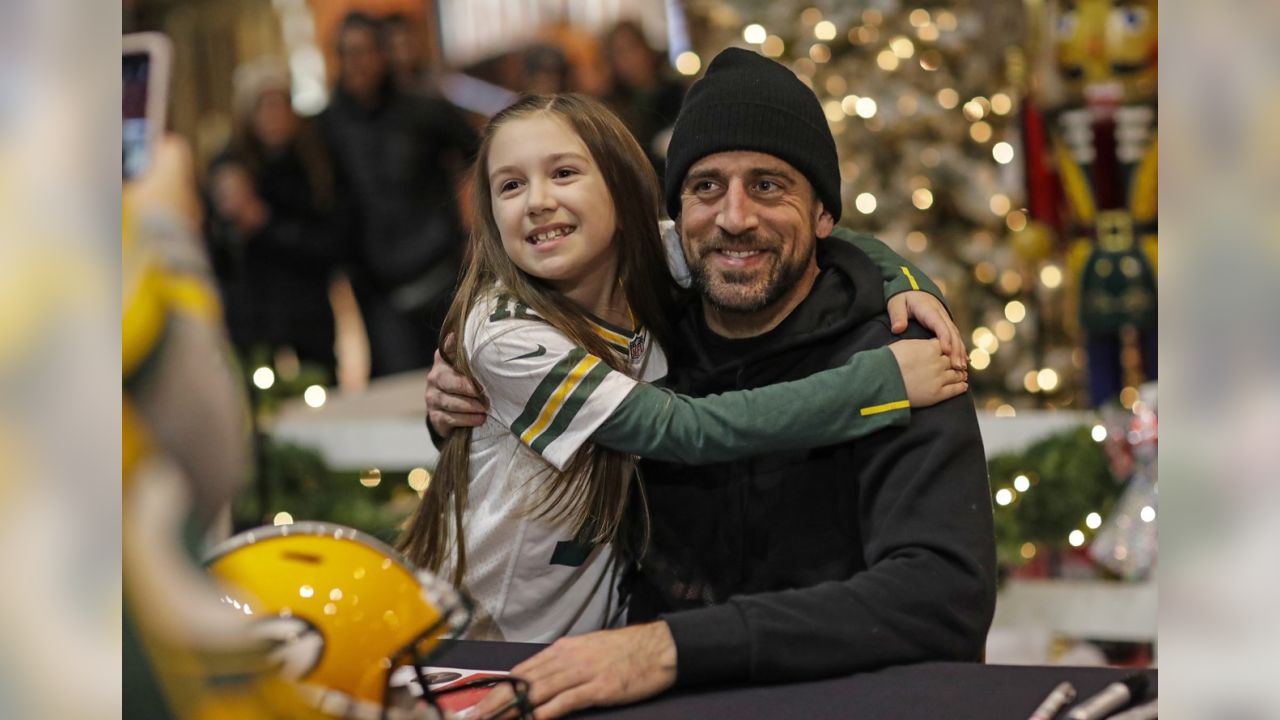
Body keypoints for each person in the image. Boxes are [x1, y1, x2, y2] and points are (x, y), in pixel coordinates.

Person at [425, 49, 996, 718]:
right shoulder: (652, 329)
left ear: (823, 215)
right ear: (674, 213)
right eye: (705, 187)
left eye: (769, 185)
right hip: (573, 675)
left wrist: (672, 647)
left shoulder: (906, 363)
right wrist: (457, 409)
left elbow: (940, 597)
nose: (733, 218)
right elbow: (626, 428)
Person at [322, 12, 479, 377]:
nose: (355, 64)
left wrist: (476, 228)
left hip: (443, 273)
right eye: (346, 54)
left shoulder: (423, 109)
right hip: (379, 288)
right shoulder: (328, 125)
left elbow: (482, 154)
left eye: (363, 52)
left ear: (382, 54)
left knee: (465, 381)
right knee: (404, 393)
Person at [206, 58, 343, 379]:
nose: (273, 115)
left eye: (279, 104)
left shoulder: (315, 163)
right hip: (254, 322)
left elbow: (332, 241)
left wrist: (264, 222)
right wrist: (230, 220)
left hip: (310, 316)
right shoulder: (228, 168)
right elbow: (219, 254)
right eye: (263, 106)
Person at [601, 20, 686, 178]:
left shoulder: (674, 92)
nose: (628, 59)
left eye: (632, 48)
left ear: (646, 49)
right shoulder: (609, 102)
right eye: (619, 52)